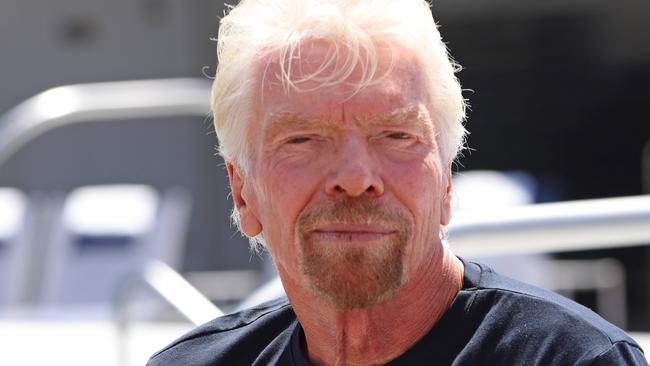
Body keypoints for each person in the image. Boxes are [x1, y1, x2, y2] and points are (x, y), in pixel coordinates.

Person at [148, 0, 647, 364]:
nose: (355, 178)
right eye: (302, 140)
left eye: (395, 135)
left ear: (447, 182)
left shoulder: (574, 361)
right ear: (242, 192)